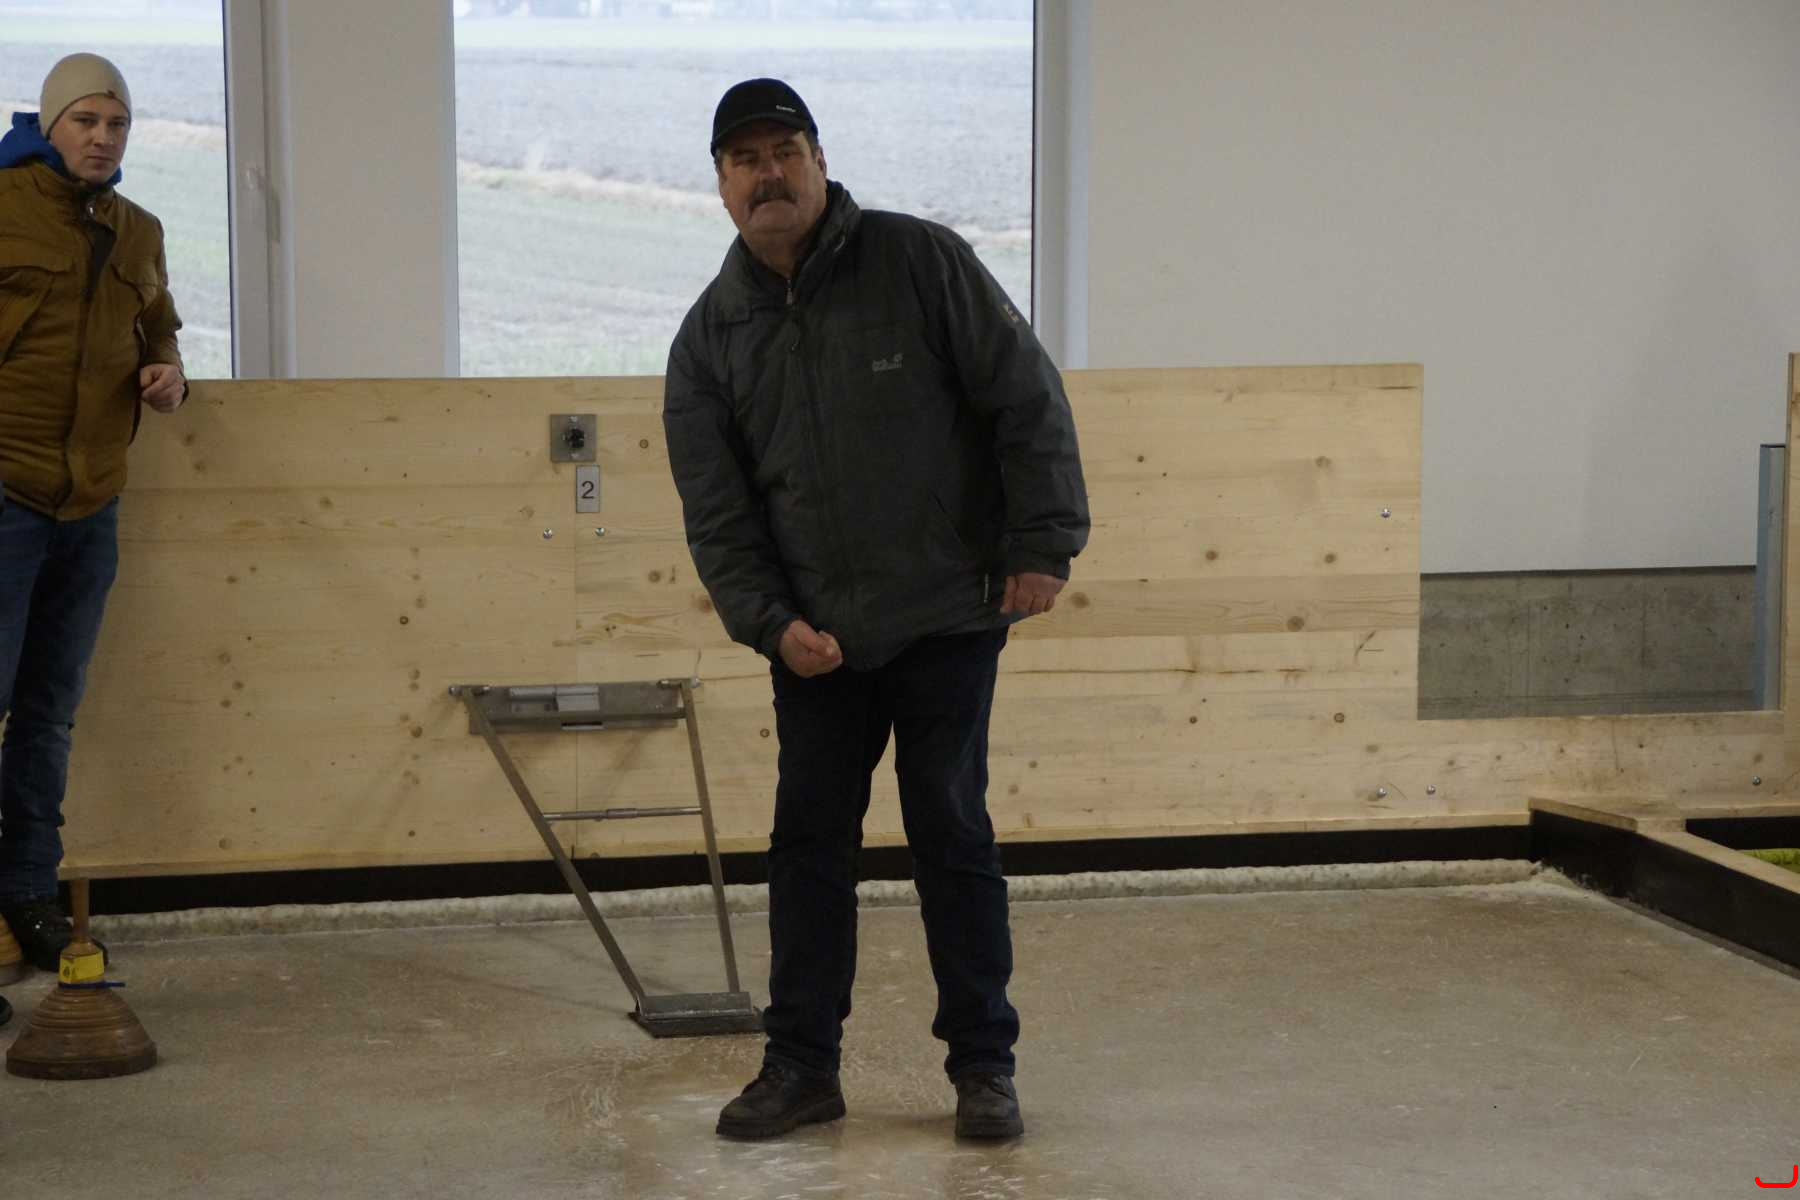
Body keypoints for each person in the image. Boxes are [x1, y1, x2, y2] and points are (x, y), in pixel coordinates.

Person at [663, 78, 1088, 1141]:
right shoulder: (709, 338)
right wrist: (771, 624)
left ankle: (983, 1068)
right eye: (745, 160)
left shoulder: (920, 261)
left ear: (819, 159)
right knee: (809, 847)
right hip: (819, 643)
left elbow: (1025, 398)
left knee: (951, 828)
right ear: (720, 184)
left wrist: (1041, 544)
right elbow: (719, 516)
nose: (768, 174)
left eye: (785, 151)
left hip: (949, 611)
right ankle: (802, 1067)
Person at [0, 53, 186, 978]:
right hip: (6, 494)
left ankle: (30, 896)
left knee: (47, 715)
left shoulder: (137, 230)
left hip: (91, 505)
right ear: (49, 124)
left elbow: (161, 332)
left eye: (117, 124)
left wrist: (168, 376)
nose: (103, 138)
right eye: (85, 121)